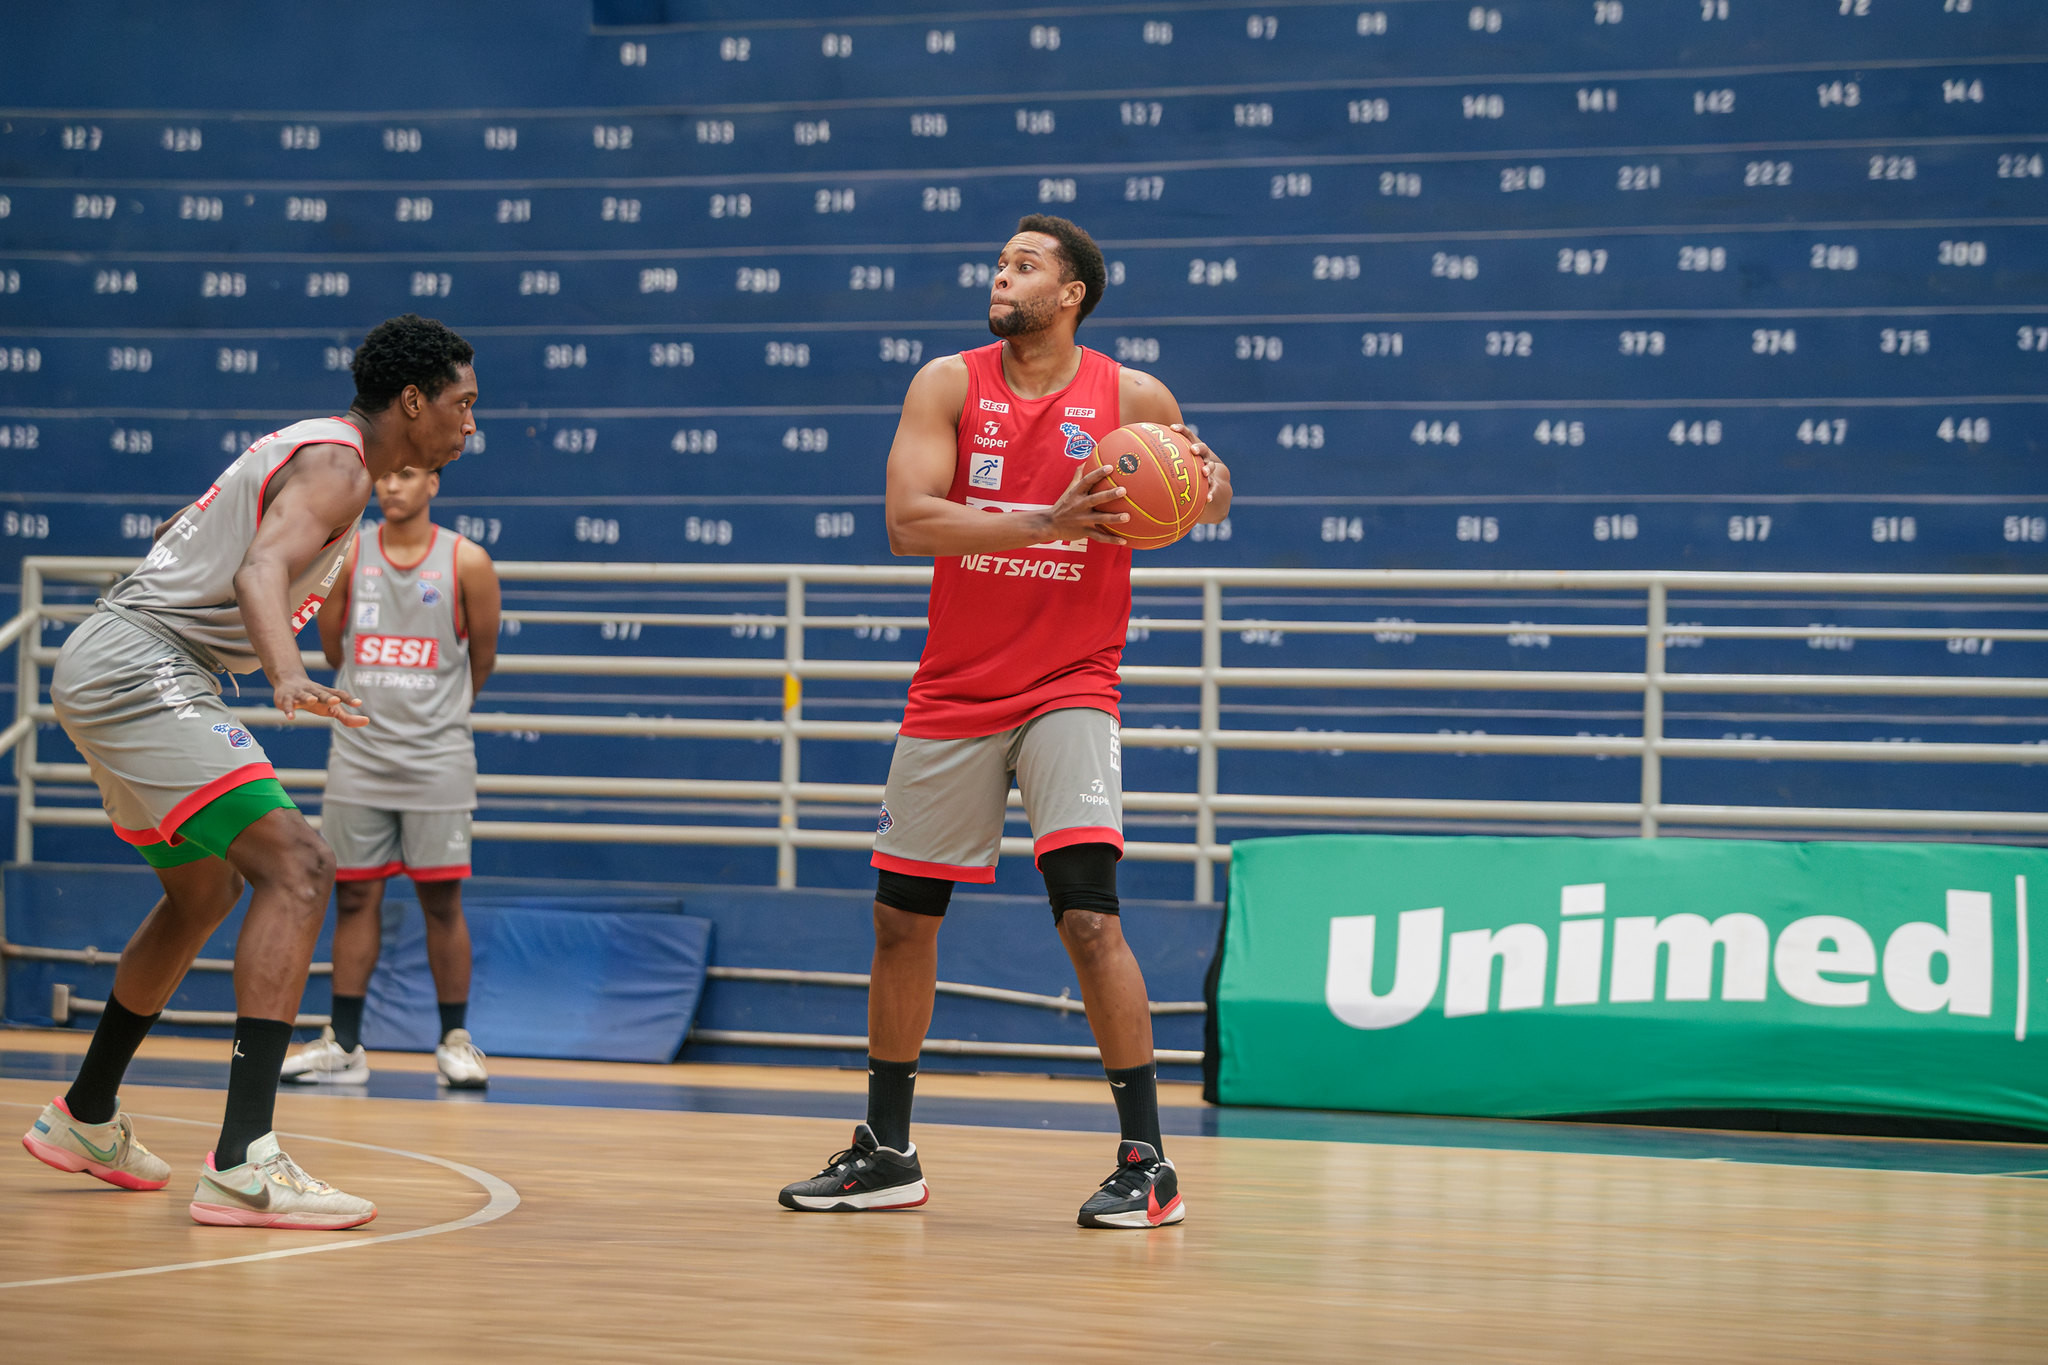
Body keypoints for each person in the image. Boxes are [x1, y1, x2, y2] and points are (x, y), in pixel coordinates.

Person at [777, 215, 1232, 1229]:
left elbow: (1211, 494)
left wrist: (1195, 487)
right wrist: (1045, 520)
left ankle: (1146, 1161)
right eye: (999, 263)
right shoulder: (948, 384)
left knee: (1085, 914)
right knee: (900, 922)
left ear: (1071, 292)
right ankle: (889, 1151)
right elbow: (907, 522)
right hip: (954, 686)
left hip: (1071, 680)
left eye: (1023, 265)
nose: (1000, 276)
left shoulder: (1132, 399)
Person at [19, 314, 478, 1230]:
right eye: (464, 405)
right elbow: (260, 567)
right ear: (414, 401)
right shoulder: (343, 465)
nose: (472, 426)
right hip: (143, 664)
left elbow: (196, 536)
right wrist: (286, 674)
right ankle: (243, 1160)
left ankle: (85, 1113)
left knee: (205, 894)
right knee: (301, 865)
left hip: (124, 657)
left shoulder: (316, 453)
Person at [279, 463, 499, 1090]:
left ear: (434, 485)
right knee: (352, 897)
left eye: (407, 476)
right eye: (384, 478)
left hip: (438, 760)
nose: (391, 487)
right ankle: (344, 1044)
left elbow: (480, 659)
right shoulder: (350, 556)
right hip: (360, 758)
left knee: (441, 901)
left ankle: (455, 1041)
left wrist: (434, 713)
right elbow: (333, 650)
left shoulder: (468, 562)